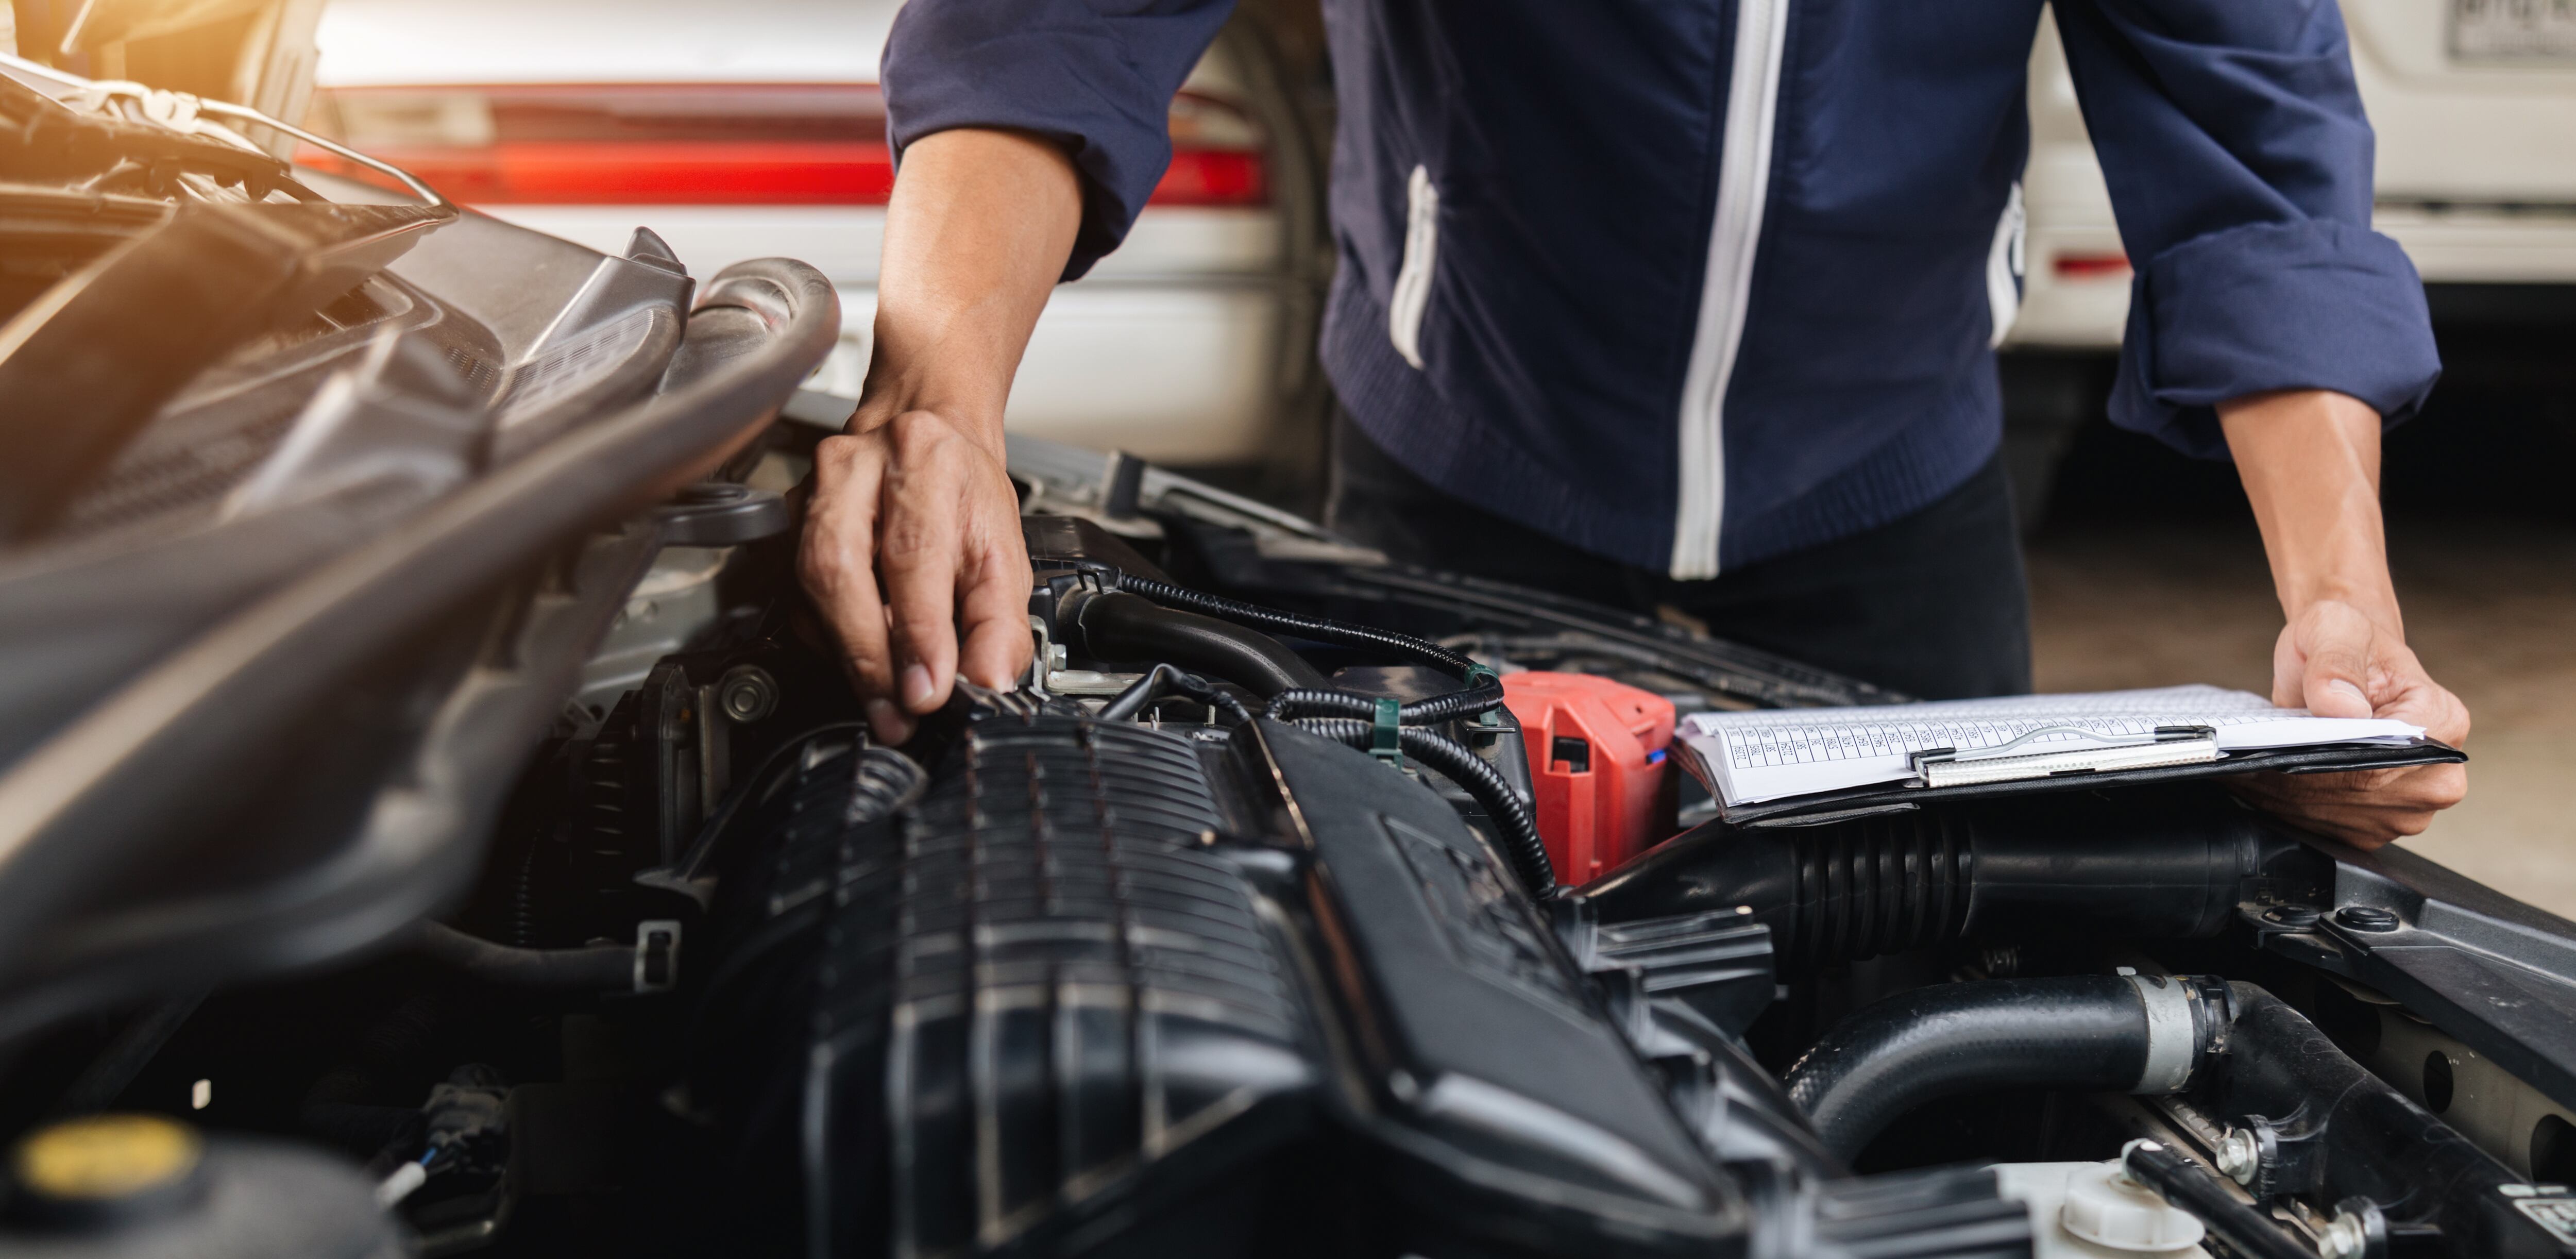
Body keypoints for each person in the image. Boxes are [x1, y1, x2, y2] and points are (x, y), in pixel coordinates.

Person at [796, 0, 2470, 850]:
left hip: (1888, 474)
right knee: (1389, 930)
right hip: (1470, 447)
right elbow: (1053, 22)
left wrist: (2342, 608)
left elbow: (2254, 143)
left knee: (1942, 990)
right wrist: (938, 393)